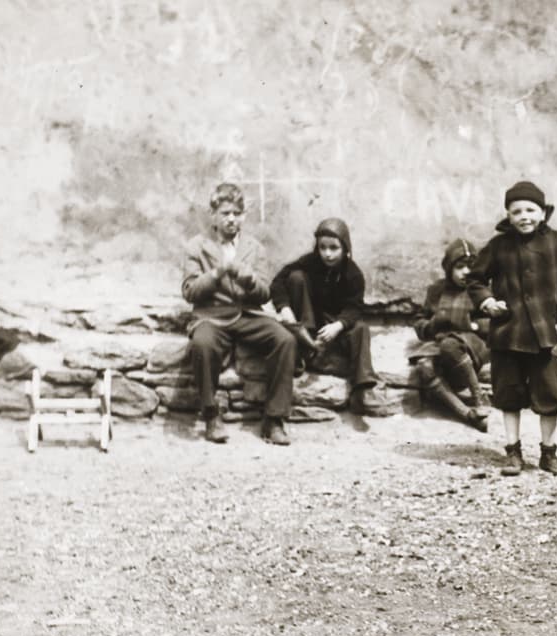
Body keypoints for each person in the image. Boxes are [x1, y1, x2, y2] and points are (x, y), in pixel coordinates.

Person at [467, 181, 557, 475]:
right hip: (508, 333)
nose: (524, 216)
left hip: (544, 337)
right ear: (508, 215)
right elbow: (475, 280)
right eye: (517, 211)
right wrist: (487, 302)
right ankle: (513, 452)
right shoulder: (498, 245)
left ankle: (548, 453)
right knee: (508, 394)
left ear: (543, 213)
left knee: (550, 396)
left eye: (531, 210)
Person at [182, 182, 296, 445]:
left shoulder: (255, 248)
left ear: (243, 216)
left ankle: (274, 419)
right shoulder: (197, 247)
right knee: (202, 343)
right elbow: (189, 291)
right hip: (211, 316)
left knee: (285, 340)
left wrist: (249, 279)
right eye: (225, 213)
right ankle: (211, 415)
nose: (231, 219)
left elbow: (265, 293)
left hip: (248, 316)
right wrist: (216, 273)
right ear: (214, 216)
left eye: (236, 213)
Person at [270, 218, 390, 417]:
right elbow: (278, 281)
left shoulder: (353, 274)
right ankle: (307, 349)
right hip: (309, 324)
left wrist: (339, 325)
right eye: (322, 247)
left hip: (334, 326)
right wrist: (284, 308)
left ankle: (363, 387)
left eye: (334, 248)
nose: (327, 253)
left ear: (345, 248)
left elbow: (355, 308)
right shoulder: (310, 262)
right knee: (296, 277)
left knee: (361, 329)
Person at [409, 239, 491, 431]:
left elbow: (497, 322)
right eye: (459, 267)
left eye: (471, 267)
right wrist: (432, 324)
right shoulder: (437, 290)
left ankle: (479, 400)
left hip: (474, 342)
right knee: (424, 367)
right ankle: (466, 413)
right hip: (442, 340)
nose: (466, 272)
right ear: (449, 268)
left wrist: (473, 325)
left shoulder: (482, 290)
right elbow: (420, 321)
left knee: (450, 345)